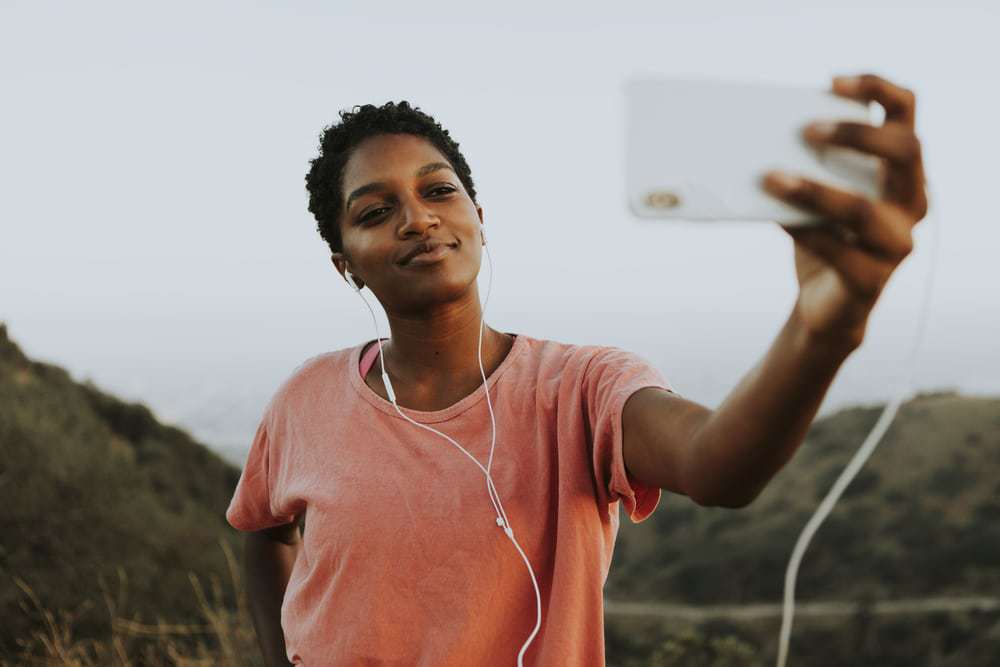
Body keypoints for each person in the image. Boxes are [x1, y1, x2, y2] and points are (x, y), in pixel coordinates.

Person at [226, 74, 928, 666]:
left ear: (478, 215)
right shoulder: (305, 399)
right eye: (376, 211)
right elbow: (262, 532)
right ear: (345, 263)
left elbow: (720, 464)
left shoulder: (580, 388)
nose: (417, 219)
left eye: (438, 191)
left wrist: (822, 327)